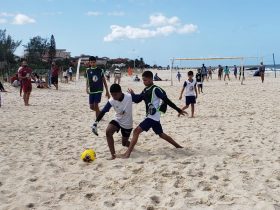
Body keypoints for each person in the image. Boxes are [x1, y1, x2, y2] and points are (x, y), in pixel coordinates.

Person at [117, 70, 187, 159]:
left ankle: (127, 154)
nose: (144, 82)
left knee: (136, 131)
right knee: (161, 134)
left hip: (152, 116)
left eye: (145, 80)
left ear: (150, 79)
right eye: (143, 80)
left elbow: (166, 100)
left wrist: (178, 110)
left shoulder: (155, 89)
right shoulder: (146, 90)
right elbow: (138, 99)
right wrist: (133, 94)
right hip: (153, 117)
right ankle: (178, 146)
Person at [91, 84, 138, 160]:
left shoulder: (129, 97)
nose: (113, 97)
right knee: (108, 132)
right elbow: (103, 111)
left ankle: (131, 146)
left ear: (120, 92)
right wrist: (95, 123)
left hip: (127, 123)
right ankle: (113, 155)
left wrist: (134, 95)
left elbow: (139, 99)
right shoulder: (112, 100)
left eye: (115, 94)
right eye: (112, 95)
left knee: (124, 143)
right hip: (117, 119)